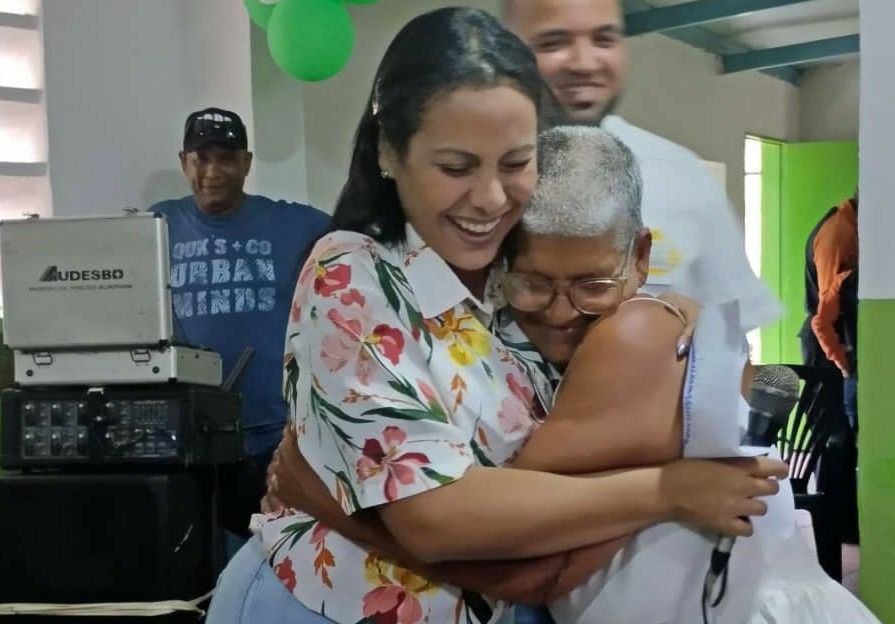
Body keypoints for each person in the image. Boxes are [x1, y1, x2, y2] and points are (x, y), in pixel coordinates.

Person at [205, 9, 786, 624]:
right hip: (321, 606)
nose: (489, 198)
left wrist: (666, 301)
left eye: (515, 164)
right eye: (455, 167)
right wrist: (667, 491)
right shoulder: (355, 272)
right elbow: (437, 521)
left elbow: (536, 566)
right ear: (388, 152)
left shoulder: (519, 286)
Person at [263, 126, 880, 623]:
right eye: (533, 282)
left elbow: (528, 567)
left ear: (639, 256)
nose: (560, 312)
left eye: (591, 284)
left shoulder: (635, 340)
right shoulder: (518, 334)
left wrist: (326, 503)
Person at [501, 0, 780, 347]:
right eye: (553, 42)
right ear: (509, 50)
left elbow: (733, 335)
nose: (585, 63)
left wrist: (691, 328)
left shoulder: (682, 177)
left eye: (603, 39)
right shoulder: (482, 184)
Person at [149, 107, 331, 551]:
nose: (213, 172)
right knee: (189, 567)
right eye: (201, 158)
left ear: (247, 163)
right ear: (184, 162)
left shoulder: (296, 225)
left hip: (272, 436)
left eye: (226, 159)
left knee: (269, 561)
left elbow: (363, 238)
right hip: (186, 437)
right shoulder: (155, 226)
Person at [800, 190, 859, 430]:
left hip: (837, 344)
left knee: (843, 441)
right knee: (832, 437)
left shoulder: (849, 227)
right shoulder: (839, 233)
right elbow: (824, 314)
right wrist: (844, 364)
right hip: (827, 347)